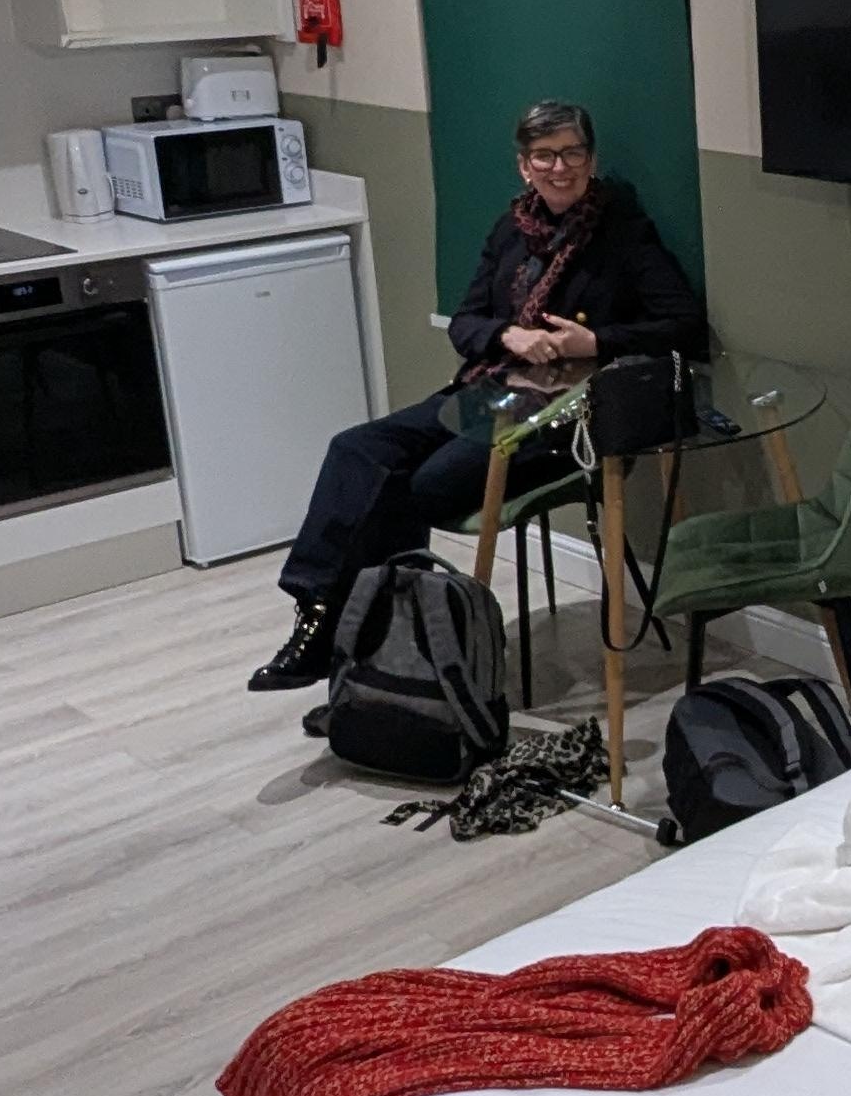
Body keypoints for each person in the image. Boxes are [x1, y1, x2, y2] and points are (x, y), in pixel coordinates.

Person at [248, 101, 708, 690]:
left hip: (566, 414)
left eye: (572, 153)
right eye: (544, 155)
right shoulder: (511, 229)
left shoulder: (623, 233)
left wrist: (594, 341)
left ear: (591, 160)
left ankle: (381, 654)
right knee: (358, 449)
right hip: (487, 389)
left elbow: (683, 324)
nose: (559, 168)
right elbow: (466, 323)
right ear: (524, 165)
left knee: (422, 485)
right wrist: (507, 335)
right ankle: (319, 614)